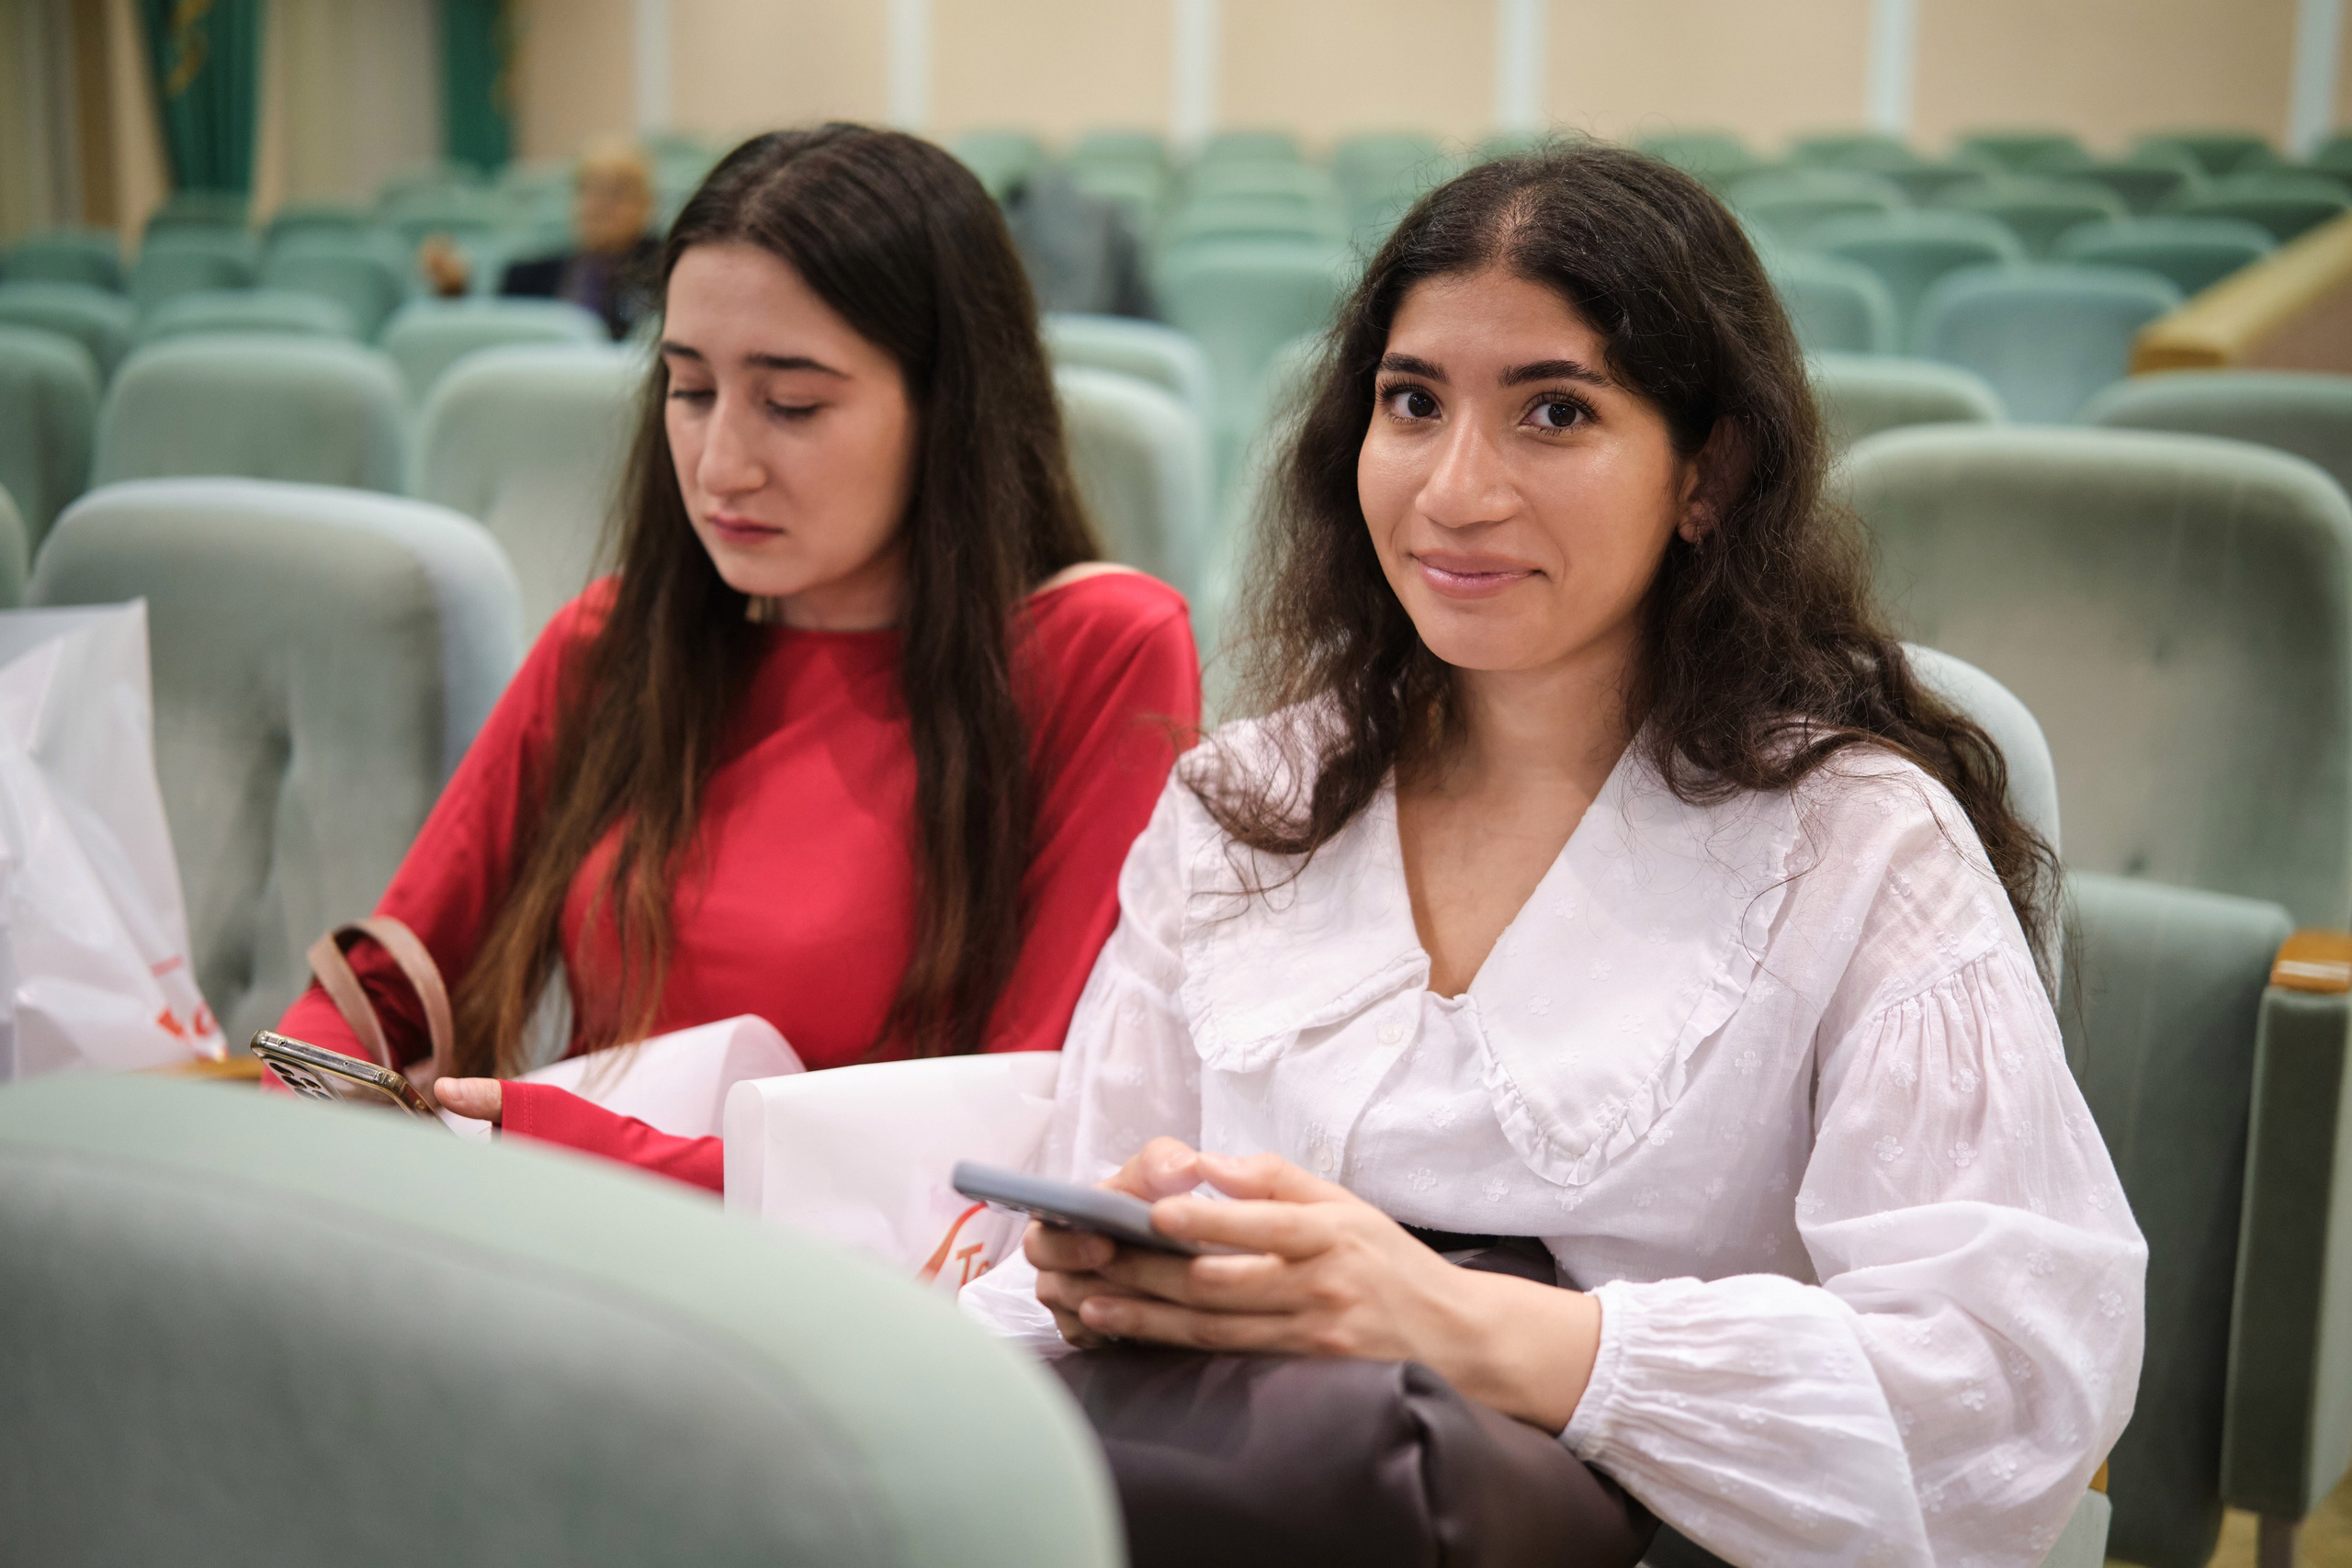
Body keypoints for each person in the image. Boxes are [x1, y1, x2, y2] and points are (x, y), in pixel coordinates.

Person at [964, 142, 2143, 1565]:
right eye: (1413, 403)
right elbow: (1063, 1224)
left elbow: (2009, 1390)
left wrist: (1470, 1327)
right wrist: (1113, 1275)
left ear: (1709, 475)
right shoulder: (1246, 799)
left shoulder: (1853, 842)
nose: (1457, 489)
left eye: (1554, 412)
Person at [276, 125, 1199, 1191]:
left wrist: (575, 1151)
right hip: (567, 1251)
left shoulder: (1096, 652)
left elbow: (1007, 1146)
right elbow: (384, 982)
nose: (720, 465)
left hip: (855, 1318)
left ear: (950, 406)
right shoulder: (613, 644)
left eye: (791, 404)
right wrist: (308, 1089)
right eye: (690, 390)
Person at [419, 139, 663, 338]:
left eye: (616, 192)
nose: (597, 205)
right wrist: (454, 292)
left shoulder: (665, 272)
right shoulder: (528, 277)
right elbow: (493, 337)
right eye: (586, 189)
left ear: (647, 204)